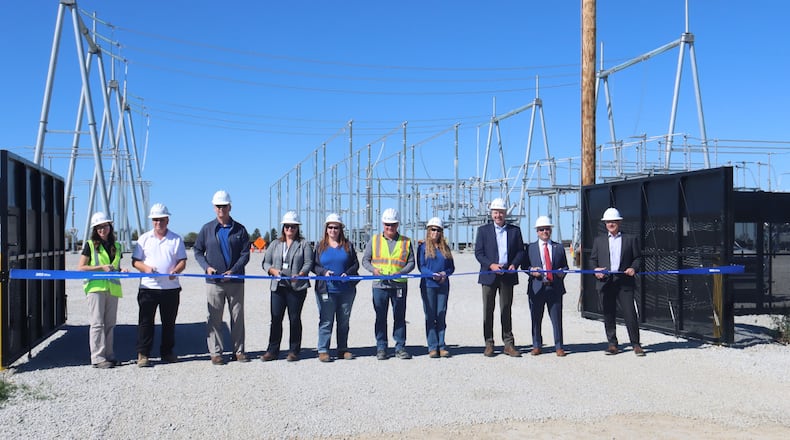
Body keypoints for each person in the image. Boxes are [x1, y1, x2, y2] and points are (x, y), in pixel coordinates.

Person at [193, 190, 251, 365]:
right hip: (214, 282)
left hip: (235, 281)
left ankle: (238, 351)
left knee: (237, 317)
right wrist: (207, 267)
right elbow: (197, 250)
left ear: (230, 207)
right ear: (214, 207)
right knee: (214, 317)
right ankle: (216, 352)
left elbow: (245, 253)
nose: (221, 209)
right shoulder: (207, 229)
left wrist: (234, 270)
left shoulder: (240, 229)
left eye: (224, 206)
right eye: (218, 206)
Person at [132, 203, 188, 367]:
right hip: (148, 288)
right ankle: (143, 354)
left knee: (169, 322)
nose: (158, 223)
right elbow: (135, 261)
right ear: (152, 221)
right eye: (155, 220)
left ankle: (167, 352)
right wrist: (146, 268)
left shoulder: (176, 239)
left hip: (170, 289)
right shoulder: (144, 239)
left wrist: (176, 270)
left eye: (161, 220)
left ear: (167, 220)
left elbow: (182, 261)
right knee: (145, 322)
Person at [590, 207, 645, 357]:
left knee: (630, 313)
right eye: (608, 222)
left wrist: (633, 268)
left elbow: (638, 258)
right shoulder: (599, 241)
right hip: (606, 283)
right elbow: (592, 260)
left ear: (619, 222)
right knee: (608, 313)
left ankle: (636, 344)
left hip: (624, 282)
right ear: (605, 224)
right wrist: (596, 270)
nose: (611, 224)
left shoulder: (630, 239)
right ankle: (612, 344)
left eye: (613, 221)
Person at [362, 208, 415, 360]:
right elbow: (365, 260)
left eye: (392, 225)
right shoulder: (375, 240)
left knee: (399, 317)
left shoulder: (405, 241)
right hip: (380, 285)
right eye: (387, 225)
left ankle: (400, 347)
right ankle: (381, 347)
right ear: (383, 224)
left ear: (397, 225)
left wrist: (401, 272)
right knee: (380, 317)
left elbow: (411, 262)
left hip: (398, 285)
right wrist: (373, 270)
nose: (389, 228)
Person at [474, 197, 525, 357]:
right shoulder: (483, 231)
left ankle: (508, 344)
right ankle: (489, 343)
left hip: (507, 275)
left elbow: (520, 251)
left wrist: (514, 265)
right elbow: (479, 253)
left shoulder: (514, 231)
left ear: (505, 214)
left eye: (501, 212)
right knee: (488, 309)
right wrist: (491, 265)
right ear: (491, 214)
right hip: (489, 275)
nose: (498, 216)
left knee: (506, 309)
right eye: (496, 212)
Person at [261, 211, 314, 362]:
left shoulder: (304, 245)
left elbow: (309, 262)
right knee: (276, 318)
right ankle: (272, 350)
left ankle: (294, 350)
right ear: (283, 228)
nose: (290, 229)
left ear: (297, 228)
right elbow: (265, 262)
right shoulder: (275, 244)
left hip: (296, 288)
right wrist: (271, 270)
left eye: (293, 226)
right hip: (278, 287)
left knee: (294, 318)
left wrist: (302, 273)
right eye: (287, 226)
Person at [77, 212, 128, 369]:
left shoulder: (117, 246)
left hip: (112, 289)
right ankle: (98, 358)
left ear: (109, 227)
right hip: (96, 288)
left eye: (104, 226)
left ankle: (109, 355)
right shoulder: (91, 245)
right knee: (97, 323)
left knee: (110, 324)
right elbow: (81, 268)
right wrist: (100, 268)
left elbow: (115, 266)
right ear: (95, 229)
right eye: (98, 227)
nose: (102, 229)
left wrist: (122, 269)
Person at [312, 213, 360, 362]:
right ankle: (323, 349)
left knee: (344, 320)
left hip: (346, 290)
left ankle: (342, 349)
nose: (333, 230)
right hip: (326, 289)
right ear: (326, 229)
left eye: (336, 227)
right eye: (330, 227)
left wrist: (348, 273)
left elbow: (355, 264)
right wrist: (323, 272)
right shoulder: (320, 246)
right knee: (326, 320)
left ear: (340, 229)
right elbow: (314, 265)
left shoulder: (348, 245)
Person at [524, 216, 569, 357]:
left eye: (547, 229)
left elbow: (565, 266)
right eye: (542, 229)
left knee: (557, 319)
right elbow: (524, 266)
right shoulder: (530, 248)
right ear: (537, 231)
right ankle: (537, 345)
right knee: (536, 318)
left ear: (551, 231)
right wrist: (531, 270)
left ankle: (559, 346)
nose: (545, 231)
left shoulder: (559, 247)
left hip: (554, 287)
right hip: (537, 287)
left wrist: (563, 272)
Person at [417, 217, 455, 358]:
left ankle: (442, 345)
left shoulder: (445, 248)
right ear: (428, 231)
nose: (435, 232)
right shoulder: (422, 248)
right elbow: (421, 266)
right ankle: (432, 346)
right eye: (433, 229)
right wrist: (432, 275)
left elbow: (451, 267)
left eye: (438, 230)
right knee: (430, 314)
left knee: (441, 314)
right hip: (428, 285)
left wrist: (445, 273)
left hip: (443, 285)